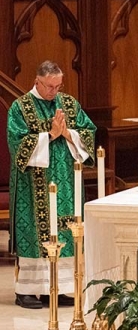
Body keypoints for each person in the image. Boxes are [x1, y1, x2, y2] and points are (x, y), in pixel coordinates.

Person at [7, 61, 97, 309]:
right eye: (49, 86)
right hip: (31, 186)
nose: (53, 92)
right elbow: (17, 144)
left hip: (65, 181)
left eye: (58, 86)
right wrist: (50, 135)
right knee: (33, 234)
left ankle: (57, 289)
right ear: (37, 82)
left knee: (65, 231)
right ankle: (27, 290)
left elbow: (88, 131)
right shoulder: (20, 107)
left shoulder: (68, 104)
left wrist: (68, 134)